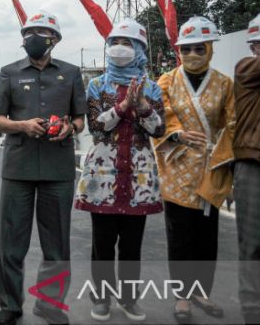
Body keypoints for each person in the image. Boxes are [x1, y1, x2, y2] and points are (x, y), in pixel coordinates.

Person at [0, 9, 86, 325]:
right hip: (18, 168)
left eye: (40, 33)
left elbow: (79, 119)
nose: (32, 38)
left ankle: (49, 303)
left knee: (56, 244)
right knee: (11, 242)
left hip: (58, 169)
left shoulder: (71, 73)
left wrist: (69, 129)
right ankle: (10, 304)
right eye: (27, 33)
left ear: (54, 39)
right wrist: (22, 126)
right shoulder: (9, 72)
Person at [74, 19, 165, 322]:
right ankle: (100, 298)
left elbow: (158, 129)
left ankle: (128, 298)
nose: (119, 49)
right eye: (114, 43)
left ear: (139, 48)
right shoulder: (97, 85)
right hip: (103, 177)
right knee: (102, 243)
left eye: (127, 43)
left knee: (131, 245)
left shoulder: (152, 87)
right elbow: (97, 127)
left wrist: (142, 107)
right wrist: (124, 105)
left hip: (138, 177)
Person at [153, 16, 235, 323]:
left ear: (210, 48)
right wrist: (176, 133)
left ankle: (202, 292)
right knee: (180, 236)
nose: (192, 56)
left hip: (211, 170)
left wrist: (221, 154)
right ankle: (182, 297)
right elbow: (160, 115)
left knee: (206, 235)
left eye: (198, 49)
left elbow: (233, 124)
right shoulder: (167, 81)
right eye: (185, 50)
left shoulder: (226, 85)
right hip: (176, 169)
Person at [232, 11, 260, 325]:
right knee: (254, 244)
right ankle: (253, 310)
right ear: (253, 48)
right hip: (256, 163)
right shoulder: (246, 68)